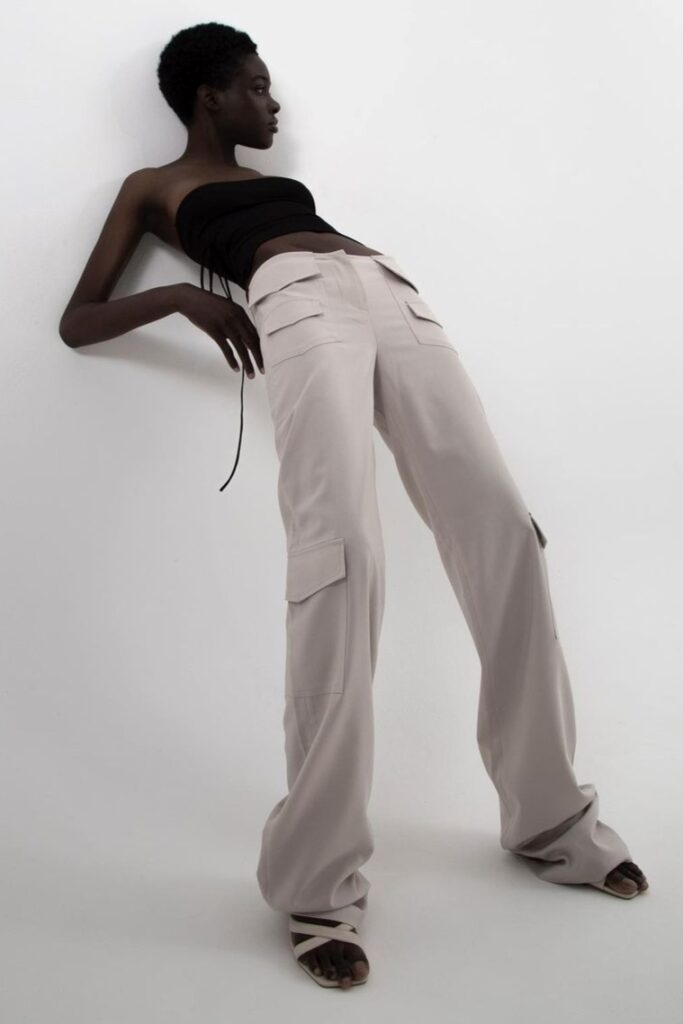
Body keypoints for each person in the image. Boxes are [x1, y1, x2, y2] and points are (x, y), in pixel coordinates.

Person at [59, 22, 648, 991]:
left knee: (504, 530)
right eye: (256, 86)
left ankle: (550, 819)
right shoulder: (150, 187)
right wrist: (182, 301)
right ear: (209, 95)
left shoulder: (273, 181)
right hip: (292, 300)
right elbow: (78, 319)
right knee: (340, 557)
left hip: (386, 288)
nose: (272, 103)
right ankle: (316, 885)